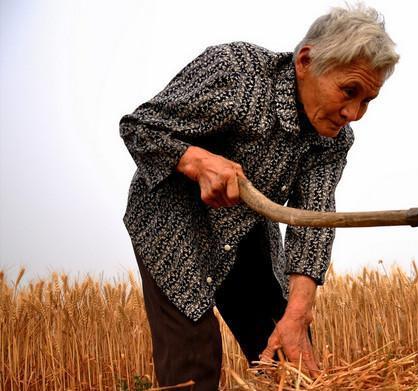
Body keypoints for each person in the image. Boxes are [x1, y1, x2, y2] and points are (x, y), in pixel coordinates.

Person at [119, 4, 398, 390]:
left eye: (367, 100)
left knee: (291, 362)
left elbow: (313, 220)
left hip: (246, 226)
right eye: (348, 91)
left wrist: (298, 314)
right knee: (193, 364)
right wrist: (196, 161)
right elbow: (139, 127)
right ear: (305, 61)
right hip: (172, 223)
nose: (353, 112)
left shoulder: (331, 139)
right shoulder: (235, 71)